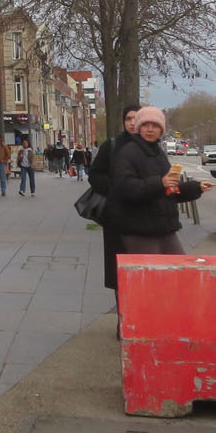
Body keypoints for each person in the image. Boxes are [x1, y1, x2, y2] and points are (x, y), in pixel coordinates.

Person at [108, 107, 205, 257]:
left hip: (164, 228)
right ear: (139, 128)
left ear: (161, 130)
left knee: (179, 267)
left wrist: (196, 188)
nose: (150, 130)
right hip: (140, 230)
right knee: (153, 270)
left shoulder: (159, 153)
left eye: (155, 126)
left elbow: (169, 191)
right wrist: (160, 183)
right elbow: (125, 188)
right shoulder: (128, 152)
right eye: (145, 125)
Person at [89, 105, 142, 307]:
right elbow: (95, 175)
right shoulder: (111, 146)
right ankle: (123, 315)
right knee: (120, 271)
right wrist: (115, 189)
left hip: (145, 219)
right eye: (128, 119)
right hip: (117, 219)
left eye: (136, 118)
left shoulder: (152, 146)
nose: (132, 123)